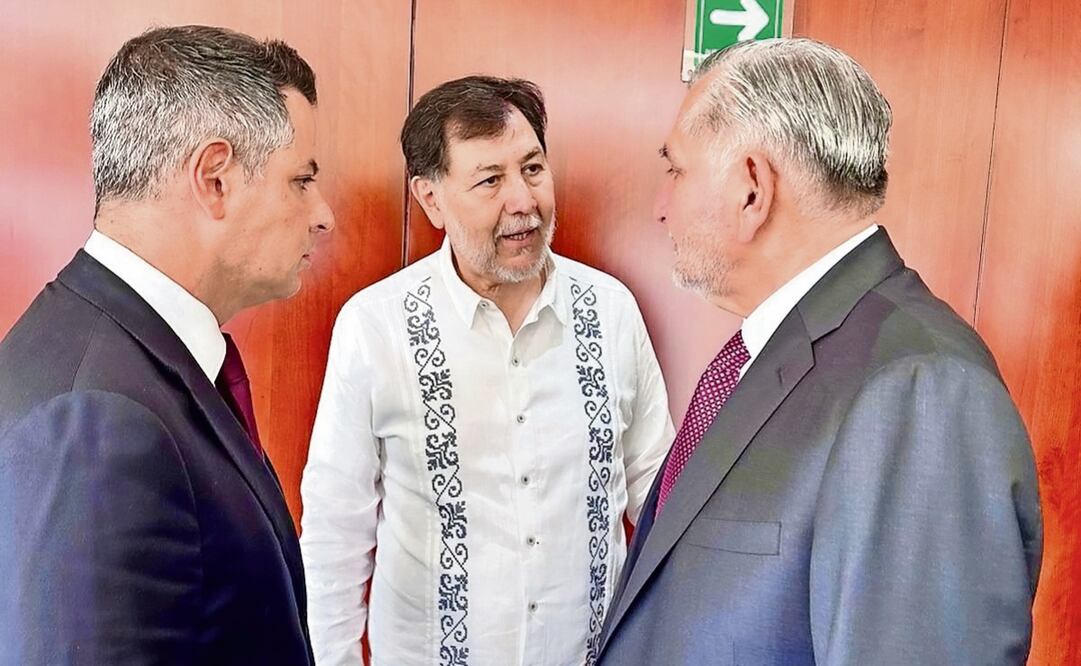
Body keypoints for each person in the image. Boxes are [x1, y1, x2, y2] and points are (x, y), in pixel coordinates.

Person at [598, 38, 1042, 665]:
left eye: (676, 170)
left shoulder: (922, 389)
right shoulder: (777, 351)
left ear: (752, 188)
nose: (660, 208)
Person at [300, 75, 674, 666]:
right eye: (490, 180)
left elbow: (660, 498)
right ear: (431, 198)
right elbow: (335, 533)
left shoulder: (612, 312)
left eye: (533, 169)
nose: (523, 201)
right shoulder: (376, 326)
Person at [0, 25, 334, 665]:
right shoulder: (96, 422)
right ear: (215, 179)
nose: (324, 214)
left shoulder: (122, 357)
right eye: (301, 180)